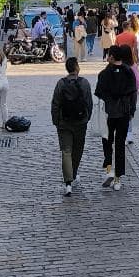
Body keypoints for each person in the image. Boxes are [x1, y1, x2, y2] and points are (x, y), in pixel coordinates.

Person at [94, 45, 137, 190]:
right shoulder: (128, 72)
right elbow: (133, 93)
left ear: (112, 57)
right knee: (120, 144)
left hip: (109, 112)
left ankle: (108, 169)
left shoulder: (104, 74)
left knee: (107, 140)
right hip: (124, 112)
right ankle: (118, 178)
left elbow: (99, 93)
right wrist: (132, 111)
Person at [51, 55, 93, 195]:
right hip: (81, 122)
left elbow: (55, 104)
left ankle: (68, 182)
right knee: (78, 150)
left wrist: (56, 121)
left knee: (66, 151)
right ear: (77, 68)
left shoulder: (61, 84)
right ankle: (73, 173)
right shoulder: (84, 83)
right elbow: (89, 103)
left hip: (64, 122)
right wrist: (87, 118)